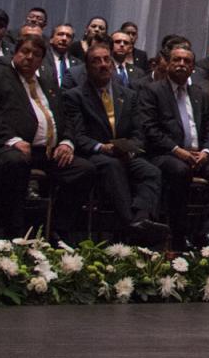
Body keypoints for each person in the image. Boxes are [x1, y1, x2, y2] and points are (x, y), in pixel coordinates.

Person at [0, 33, 96, 240]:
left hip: (48, 151)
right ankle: (13, 231)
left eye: (36, 54)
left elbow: (65, 117)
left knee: (84, 170)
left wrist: (67, 142)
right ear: (15, 53)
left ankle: (55, 228)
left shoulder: (48, 82)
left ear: (42, 60)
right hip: (9, 146)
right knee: (16, 162)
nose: (29, 57)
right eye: (25, 52)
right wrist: (13, 140)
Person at [55, 41, 168, 245]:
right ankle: (130, 225)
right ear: (87, 67)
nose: (103, 64)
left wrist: (131, 150)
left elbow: (138, 131)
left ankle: (141, 219)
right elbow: (77, 134)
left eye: (107, 60)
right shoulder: (76, 96)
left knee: (151, 171)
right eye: (96, 61)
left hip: (125, 153)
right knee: (112, 165)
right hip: (94, 154)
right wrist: (102, 147)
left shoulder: (128, 95)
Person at [138, 41, 209, 248]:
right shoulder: (153, 91)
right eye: (176, 60)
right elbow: (150, 129)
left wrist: (206, 151)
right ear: (168, 64)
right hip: (166, 155)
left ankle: (205, 229)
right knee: (180, 171)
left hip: (198, 156)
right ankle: (179, 233)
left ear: (193, 68)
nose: (181, 64)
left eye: (186, 61)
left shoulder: (199, 94)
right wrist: (178, 151)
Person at [38, 22, 82, 94]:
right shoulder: (41, 58)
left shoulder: (78, 64)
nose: (64, 38)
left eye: (68, 36)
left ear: (72, 42)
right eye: (60, 34)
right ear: (51, 39)